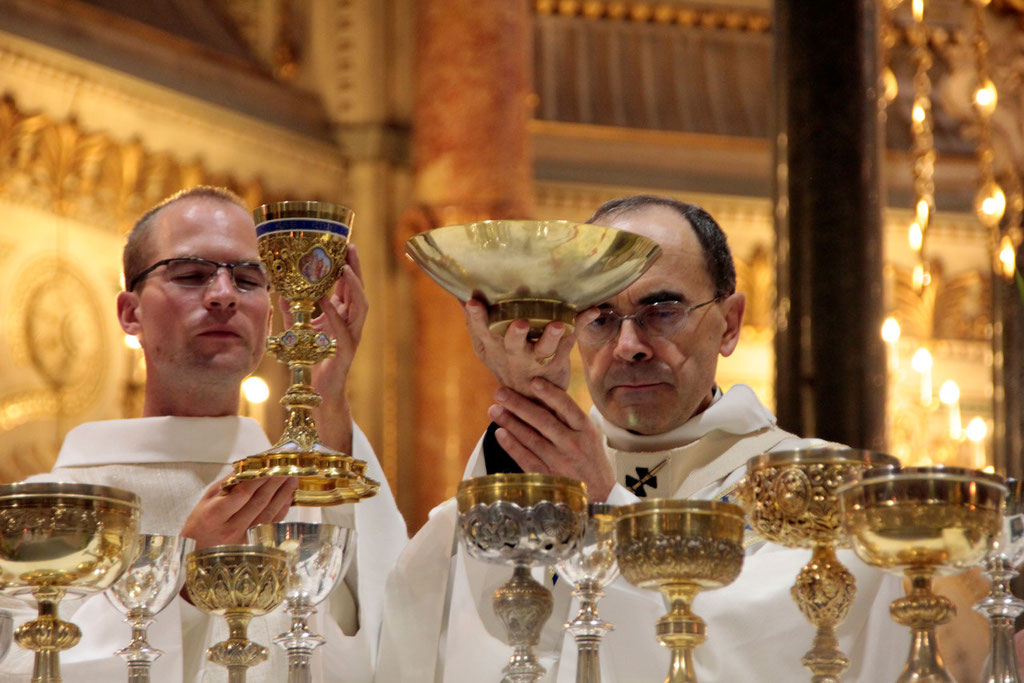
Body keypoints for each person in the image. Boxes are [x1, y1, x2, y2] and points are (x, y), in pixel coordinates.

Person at [377, 195, 906, 681]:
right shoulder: (536, 466)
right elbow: (438, 618)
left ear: (728, 323)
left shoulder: (819, 484)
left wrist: (605, 510)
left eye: (662, 312)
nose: (629, 345)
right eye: (600, 318)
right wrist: (528, 410)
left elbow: (771, 650)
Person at [0, 187, 407, 682]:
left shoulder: (295, 491)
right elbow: (27, 670)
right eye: (191, 275)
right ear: (130, 313)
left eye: (249, 278)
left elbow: (388, 634)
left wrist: (329, 393)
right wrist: (184, 582)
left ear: (272, 312)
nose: (223, 294)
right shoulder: (40, 514)